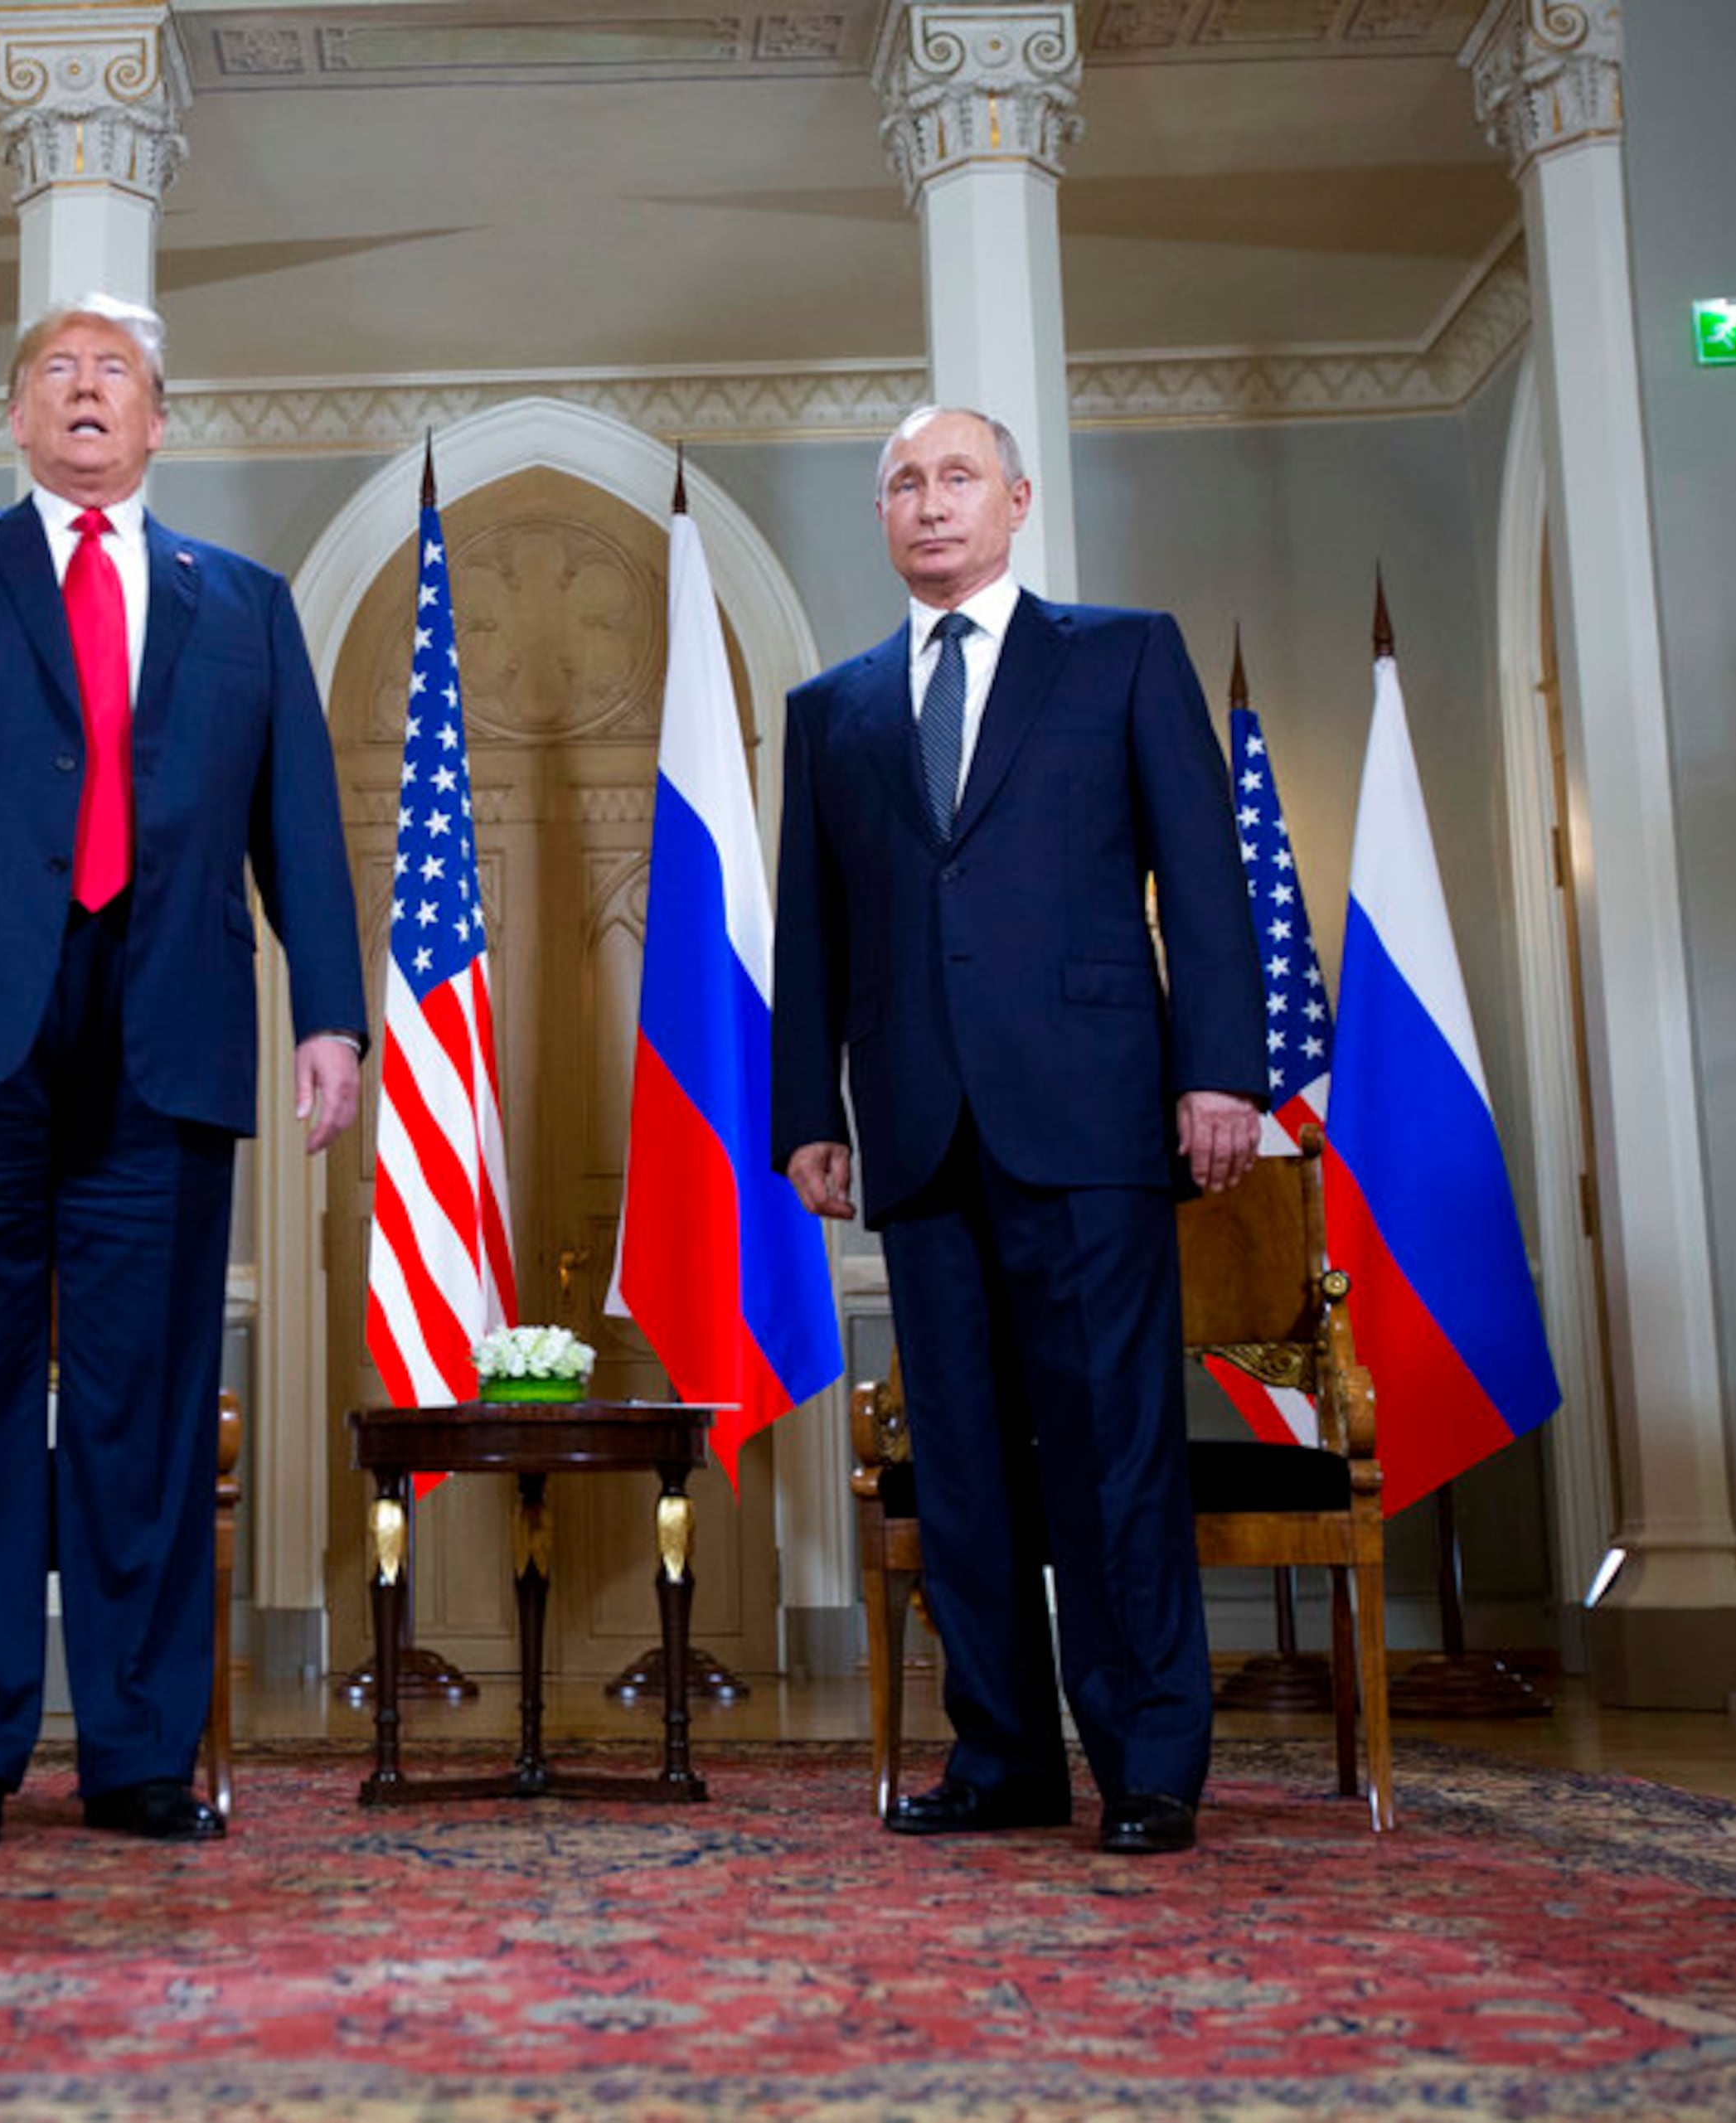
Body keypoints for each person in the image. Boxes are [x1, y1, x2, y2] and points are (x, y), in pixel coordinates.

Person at [0, 293, 366, 1849]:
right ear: (17, 415)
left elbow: (300, 829)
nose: (89, 389)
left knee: (150, 1411)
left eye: (118, 373)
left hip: (166, 1039)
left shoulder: (242, 602)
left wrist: (330, 1012)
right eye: (60, 369)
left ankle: (134, 1753)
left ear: (161, 419)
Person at [771, 406, 1265, 1857]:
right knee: (968, 1464)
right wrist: (810, 1109)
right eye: (907, 485)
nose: (932, 505)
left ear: (1017, 500)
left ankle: (1150, 1759)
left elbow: (1203, 874)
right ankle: (1002, 1752)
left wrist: (1219, 1070)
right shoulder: (833, 711)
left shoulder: (1120, 654)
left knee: (1114, 1445)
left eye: (959, 478)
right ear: (886, 518)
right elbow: (815, 930)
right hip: (919, 1130)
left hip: (1095, 1115)